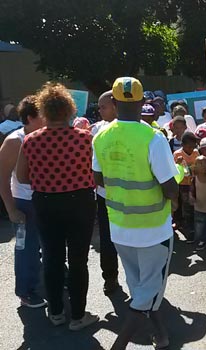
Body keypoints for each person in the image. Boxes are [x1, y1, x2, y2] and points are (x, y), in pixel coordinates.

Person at [93, 77, 178, 349]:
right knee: (146, 294)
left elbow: (98, 177)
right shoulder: (153, 138)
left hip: (119, 228)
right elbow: (170, 188)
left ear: (114, 103)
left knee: (140, 287)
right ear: (143, 103)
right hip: (153, 230)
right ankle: (119, 345)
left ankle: (160, 334)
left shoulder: (101, 136)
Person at [16, 82, 98, 329]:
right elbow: (96, 172)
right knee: (77, 260)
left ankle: (56, 312)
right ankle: (78, 315)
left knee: (52, 258)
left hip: (46, 202)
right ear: (69, 110)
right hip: (80, 202)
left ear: (44, 111)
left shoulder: (30, 141)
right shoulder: (85, 139)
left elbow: (21, 176)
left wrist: (45, 179)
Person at [0, 95, 46, 308]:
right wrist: (11, 210)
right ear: (29, 118)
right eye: (43, 115)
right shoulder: (13, 141)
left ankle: (53, 279)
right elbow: (1, 178)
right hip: (22, 203)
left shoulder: (47, 136)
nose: (47, 119)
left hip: (46, 201)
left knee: (50, 245)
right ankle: (25, 291)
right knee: (24, 248)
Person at [92, 90, 121, 296]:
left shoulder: (136, 128)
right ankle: (110, 277)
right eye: (99, 107)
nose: (100, 111)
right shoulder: (96, 131)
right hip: (105, 196)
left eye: (103, 107)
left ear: (116, 106)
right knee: (107, 238)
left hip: (131, 196)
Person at [173, 131, 200, 242]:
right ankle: (188, 229)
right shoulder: (177, 155)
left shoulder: (196, 153)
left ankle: (196, 228)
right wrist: (178, 163)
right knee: (186, 207)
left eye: (193, 147)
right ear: (183, 145)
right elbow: (173, 170)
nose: (191, 149)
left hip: (194, 183)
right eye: (189, 147)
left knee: (194, 206)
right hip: (183, 185)